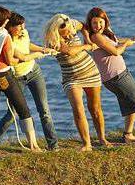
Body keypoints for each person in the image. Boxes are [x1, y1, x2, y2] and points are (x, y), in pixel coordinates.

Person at [85, 7, 135, 145]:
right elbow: (116, 51)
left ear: (105, 21)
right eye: (94, 23)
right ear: (90, 23)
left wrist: (133, 39)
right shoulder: (95, 37)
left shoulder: (106, 33)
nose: (98, 26)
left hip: (121, 73)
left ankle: (128, 135)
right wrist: (127, 44)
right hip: (115, 77)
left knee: (132, 104)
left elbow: (115, 43)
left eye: (100, 22)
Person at [0, 12, 59, 153]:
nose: (22, 27)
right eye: (19, 26)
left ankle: (53, 145)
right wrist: (39, 55)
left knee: (44, 110)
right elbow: (23, 57)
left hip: (34, 73)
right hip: (17, 78)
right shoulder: (7, 41)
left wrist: (43, 49)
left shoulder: (23, 33)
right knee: (12, 114)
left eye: (22, 24)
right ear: (10, 27)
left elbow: (27, 45)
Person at [0, 5, 42, 158]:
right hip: (2, 76)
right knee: (23, 110)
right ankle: (33, 145)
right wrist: (30, 56)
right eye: (6, 20)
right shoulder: (4, 37)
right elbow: (11, 61)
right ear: (2, 22)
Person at [44, 13, 110, 151]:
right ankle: (87, 144)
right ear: (57, 30)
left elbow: (84, 26)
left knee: (95, 108)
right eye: (65, 32)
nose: (69, 33)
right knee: (79, 109)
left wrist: (86, 38)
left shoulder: (71, 24)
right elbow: (69, 51)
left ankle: (102, 138)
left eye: (69, 30)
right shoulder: (52, 40)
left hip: (90, 71)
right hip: (71, 78)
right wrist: (86, 46)